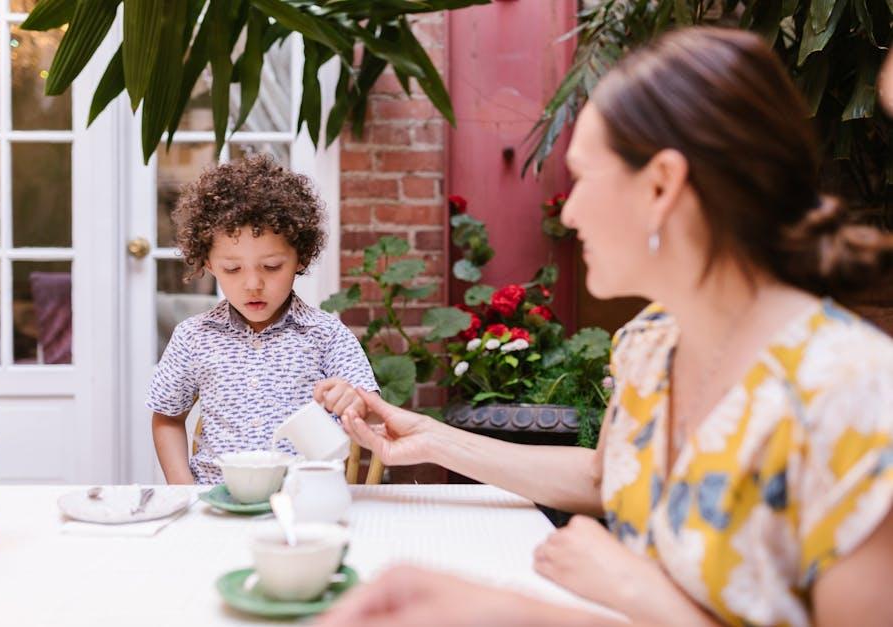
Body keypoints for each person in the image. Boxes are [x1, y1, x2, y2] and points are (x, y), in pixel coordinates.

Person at [317, 27, 893, 627]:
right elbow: (604, 473)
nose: (568, 210)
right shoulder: (651, 344)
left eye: (583, 177)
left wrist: (635, 591)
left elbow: (639, 593)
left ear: (662, 186)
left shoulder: (854, 396)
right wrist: (432, 440)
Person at [148, 155, 378, 484]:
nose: (253, 284)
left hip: (303, 499)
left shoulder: (325, 335)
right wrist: (184, 491)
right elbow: (167, 417)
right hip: (218, 504)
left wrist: (355, 400)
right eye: (232, 269)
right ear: (209, 264)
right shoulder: (193, 338)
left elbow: (371, 408)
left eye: (271, 267)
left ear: (301, 257)